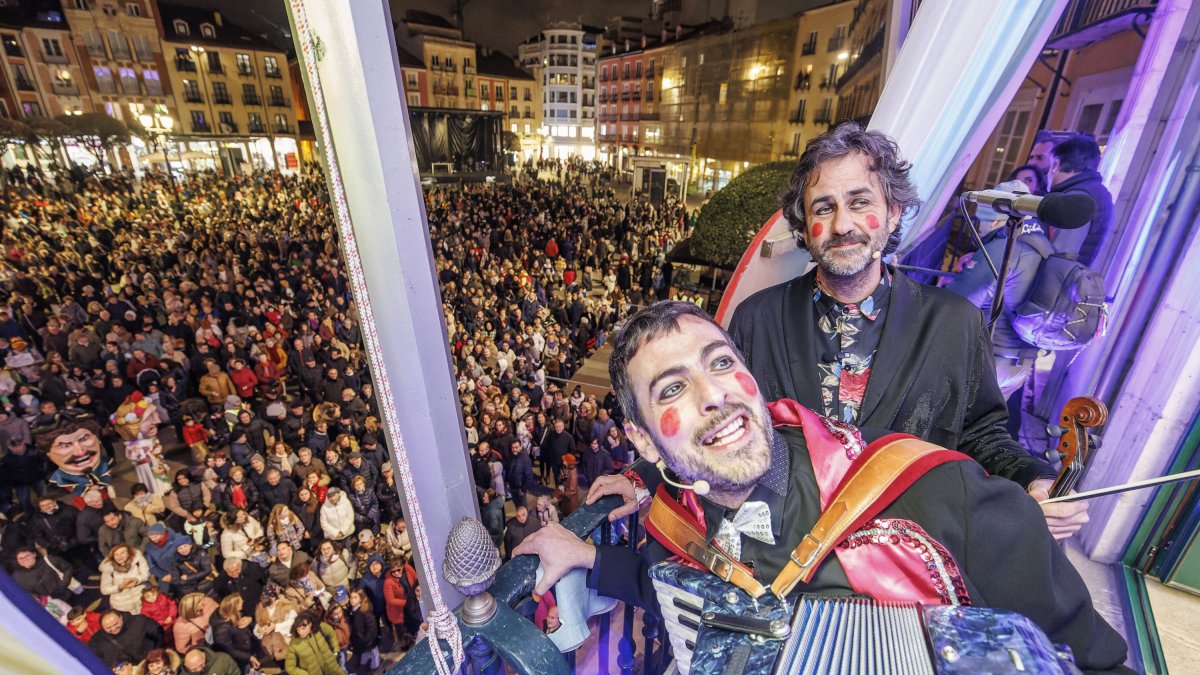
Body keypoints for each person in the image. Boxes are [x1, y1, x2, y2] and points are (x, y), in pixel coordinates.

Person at [517, 300, 1130, 673]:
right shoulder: (674, 527)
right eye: (672, 389)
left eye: (721, 362)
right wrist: (587, 556)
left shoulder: (943, 495)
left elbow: (1097, 662)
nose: (715, 396)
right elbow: (666, 587)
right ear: (646, 441)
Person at [704, 122, 1084, 538]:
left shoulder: (955, 323)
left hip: (903, 552)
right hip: (787, 543)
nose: (843, 224)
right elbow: (722, 423)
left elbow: (982, 434)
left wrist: (1035, 478)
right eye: (823, 208)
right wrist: (641, 479)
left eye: (859, 201)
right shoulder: (757, 317)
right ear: (803, 224)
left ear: (893, 212)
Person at [945, 179, 1050, 398]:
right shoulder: (1042, 246)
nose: (979, 229)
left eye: (981, 222)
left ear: (994, 222)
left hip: (989, 360)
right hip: (1020, 364)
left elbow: (957, 304)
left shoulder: (1001, 248)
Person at [1045, 134, 1115, 268]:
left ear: (1056, 163)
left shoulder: (1076, 199)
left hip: (1054, 284)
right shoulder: (1097, 192)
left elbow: (1059, 257)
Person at [89, 610, 165, 668]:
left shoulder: (139, 621)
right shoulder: (97, 641)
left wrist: (156, 655)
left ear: (121, 617)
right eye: (108, 628)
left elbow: (159, 633)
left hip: (153, 663)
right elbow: (96, 661)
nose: (113, 628)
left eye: (116, 624)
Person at [99, 544, 150, 613]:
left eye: (122, 553)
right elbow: (104, 590)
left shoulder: (137, 560)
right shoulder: (108, 568)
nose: (119, 557)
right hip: (122, 604)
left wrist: (136, 579)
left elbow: (146, 574)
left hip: (142, 596)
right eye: (116, 554)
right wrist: (120, 587)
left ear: (128, 553)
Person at [348, 588, 380, 674]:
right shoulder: (352, 611)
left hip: (369, 641)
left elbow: (372, 629)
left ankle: (375, 668)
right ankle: (366, 666)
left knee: (374, 655)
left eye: (355, 597)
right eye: (351, 597)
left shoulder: (365, 612)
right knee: (365, 656)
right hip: (361, 642)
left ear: (361, 599)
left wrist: (365, 640)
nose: (352, 600)